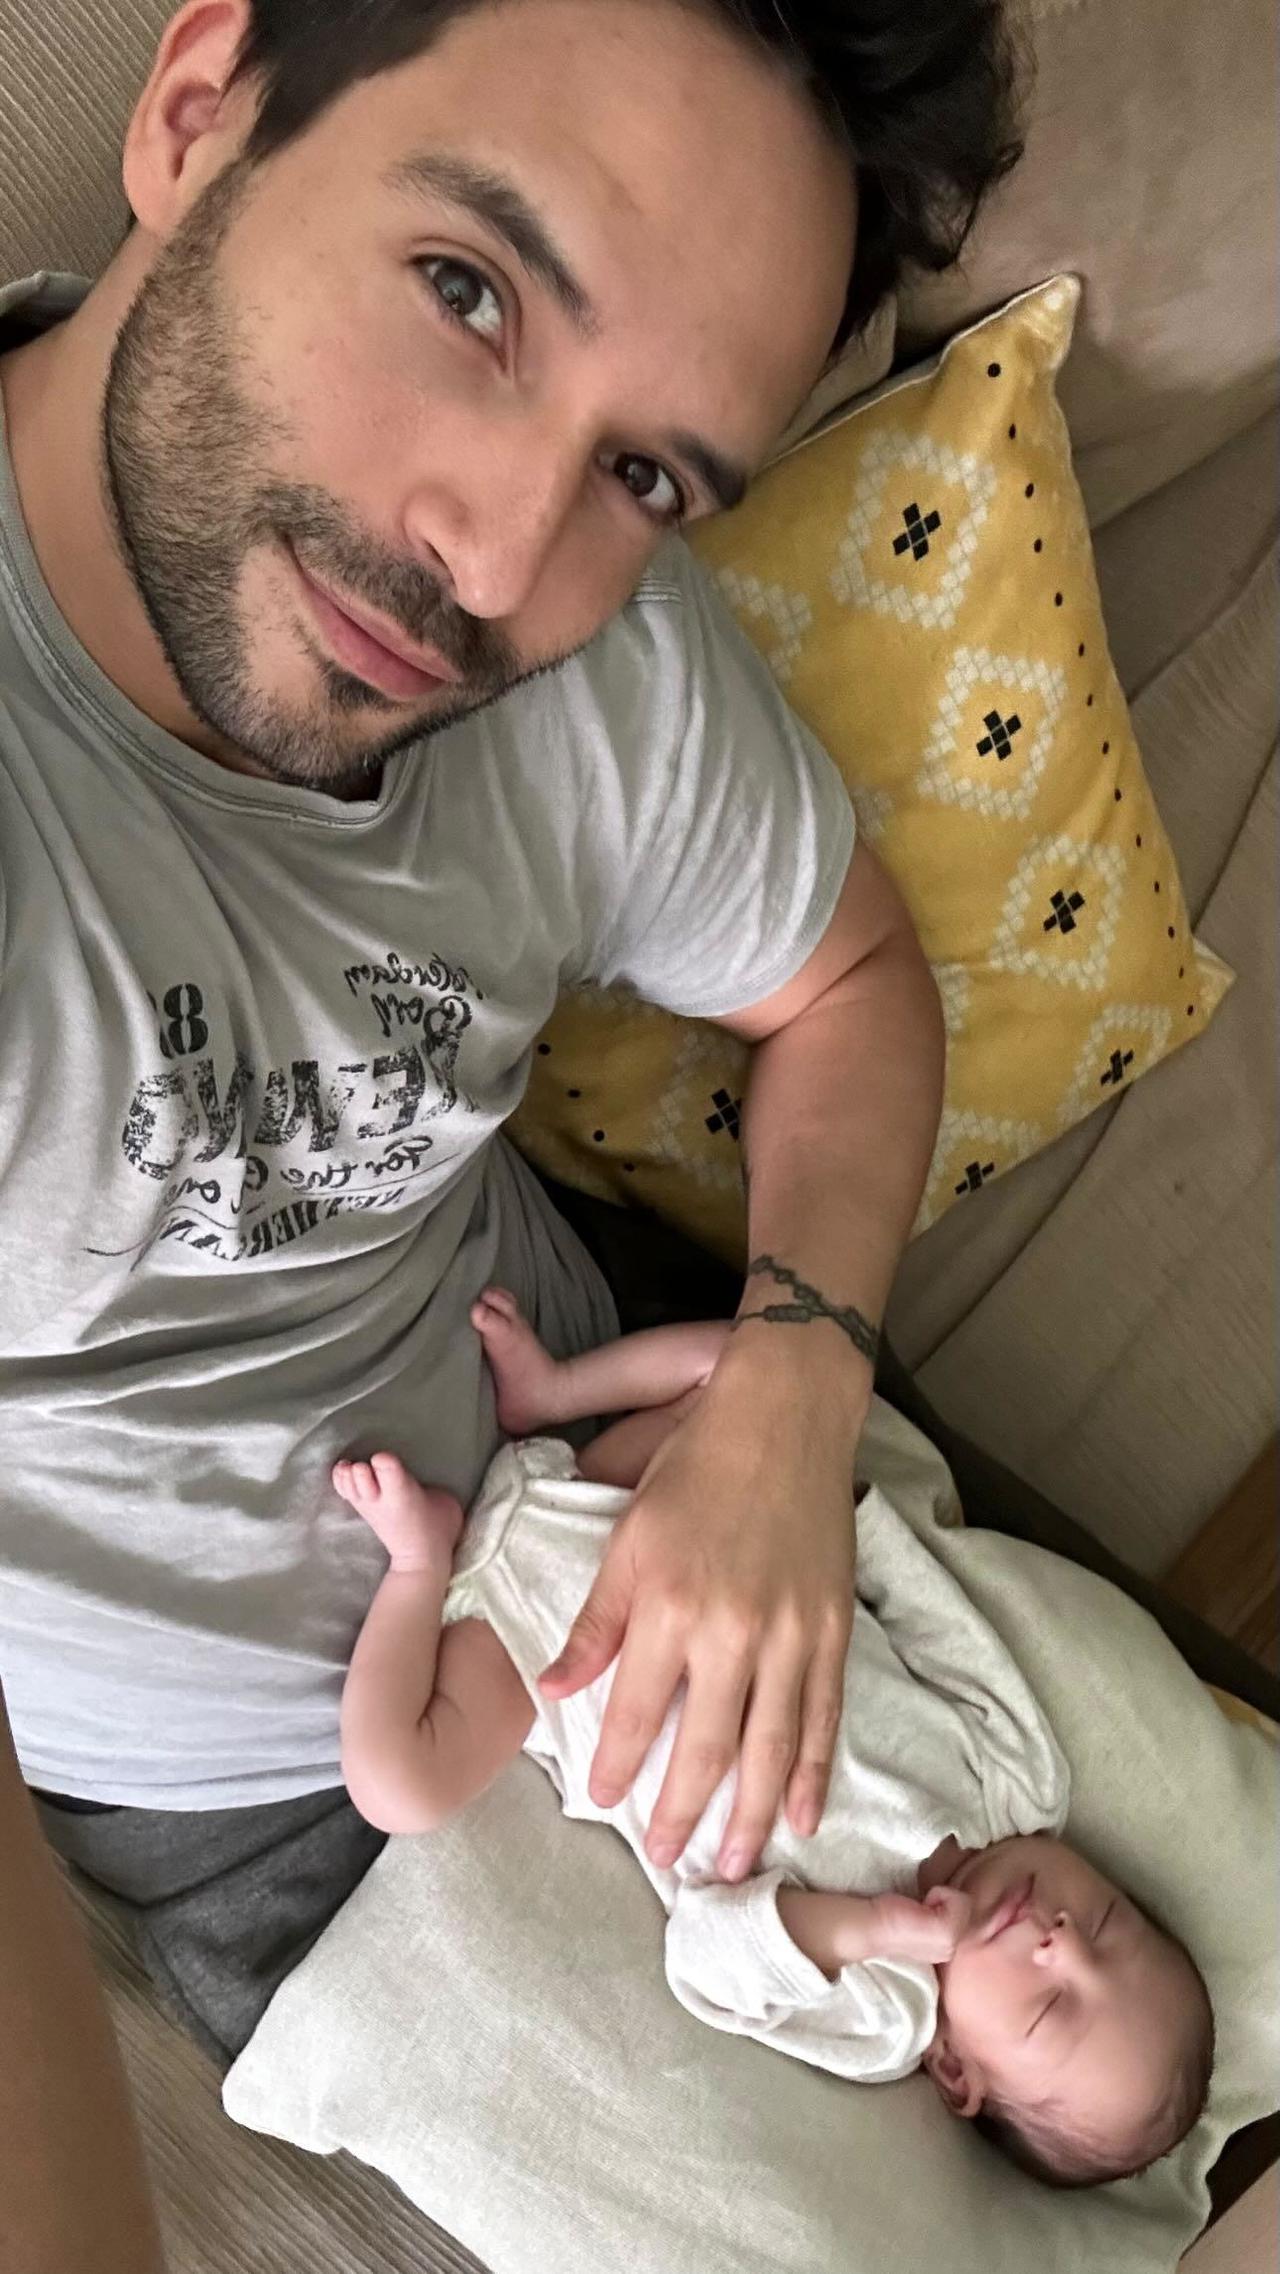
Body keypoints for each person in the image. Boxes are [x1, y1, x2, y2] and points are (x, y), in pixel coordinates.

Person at [0, 0, 1029, 2261]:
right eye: (467, 290)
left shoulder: (595, 668)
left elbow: (849, 981)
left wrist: (788, 1394)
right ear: (196, 109)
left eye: (646, 474)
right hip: (274, 1797)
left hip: (615, 1459)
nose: (488, 563)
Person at [333, 1290, 1216, 2189]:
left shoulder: (884, 2013)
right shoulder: (1021, 1778)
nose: (1062, 1943)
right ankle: (555, 1391)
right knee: (754, 1368)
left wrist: (879, 1927)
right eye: (1107, 1923)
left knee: (398, 1786)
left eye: (1050, 2009)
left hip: (535, 1656)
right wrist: (830, 1500)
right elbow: (926, 1609)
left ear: (958, 2072)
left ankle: (419, 1562)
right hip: (647, 1496)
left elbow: (707, 1956)